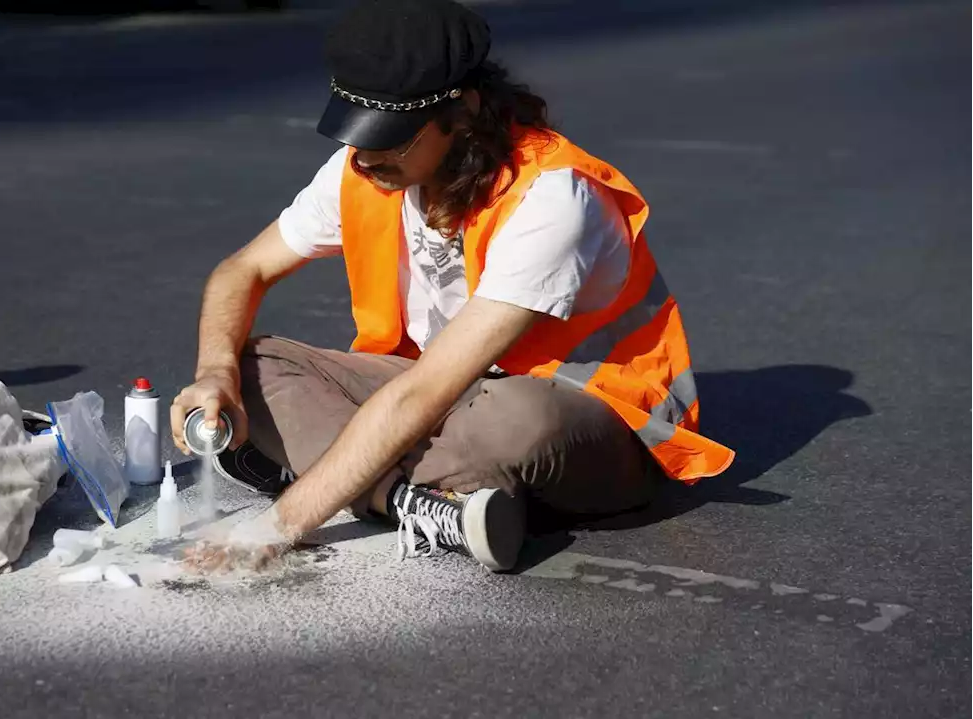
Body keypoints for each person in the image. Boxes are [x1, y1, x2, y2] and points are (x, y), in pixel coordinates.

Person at [171, 0, 735, 574]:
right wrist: (214, 374)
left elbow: (423, 396)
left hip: (583, 411)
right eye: (356, 133)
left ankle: (336, 471)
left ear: (463, 112)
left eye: (390, 137)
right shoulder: (363, 169)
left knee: (515, 425)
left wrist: (275, 527)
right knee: (253, 367)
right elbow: (242, 270)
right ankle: (415, 502)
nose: (365, 158)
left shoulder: (553, 195)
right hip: (438, 394)